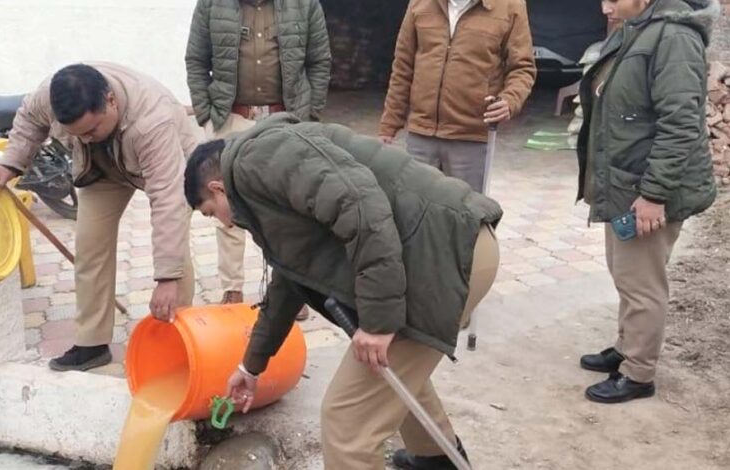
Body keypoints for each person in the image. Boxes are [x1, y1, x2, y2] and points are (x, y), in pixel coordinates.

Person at [184, 113, 502, 469]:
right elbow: (290, 281)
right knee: (386, 372)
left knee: (346, 423)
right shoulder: (263, 174)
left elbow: (359, 203)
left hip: (447, 255)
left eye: (211, 212)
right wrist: (251, 366)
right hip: (453, 248)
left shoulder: (254, 162)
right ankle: (435, 460)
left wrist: (379, 322)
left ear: (217, 188)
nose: (224, 223)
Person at [0, 63, 198, 371]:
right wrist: (11, 163)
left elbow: (169, 201)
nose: (85, 139)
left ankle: (177, 339)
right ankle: (92, 343)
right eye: (77, 135)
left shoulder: (153, 121)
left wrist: (167, 278)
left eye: (91, 130)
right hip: (101, 169)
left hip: (166, 162)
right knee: (90, 247)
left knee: (175, 254)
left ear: (110, 100)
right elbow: (29, 119)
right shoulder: (49, 97)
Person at [576, 0, 718, 403]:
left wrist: (654, 195)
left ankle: (638, 372)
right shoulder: (638, 27)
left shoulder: (674, 37)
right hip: (626, 183)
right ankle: (626, 346)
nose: (604, 7)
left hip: (647, 188)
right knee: (626, 274)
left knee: (643, 284)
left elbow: (680, 124)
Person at [185, 0, 331, 317]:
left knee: (288, 207)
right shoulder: (211, 4)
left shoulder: (304, 4)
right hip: (231, 119)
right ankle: (232, 288)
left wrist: (309, 113)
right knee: (225, 204)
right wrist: (206, 114)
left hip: (284, 120)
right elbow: (196, 59)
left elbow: (319, 61)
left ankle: (292, 291)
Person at [378, 0, 536, 193]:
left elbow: (522, 68)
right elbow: (403, 66)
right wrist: (389, 125)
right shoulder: (420, 3)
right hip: (421, 134)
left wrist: (510, 100)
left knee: (465, 209)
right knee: (415, 207)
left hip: (471, 137)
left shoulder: (510, 5)